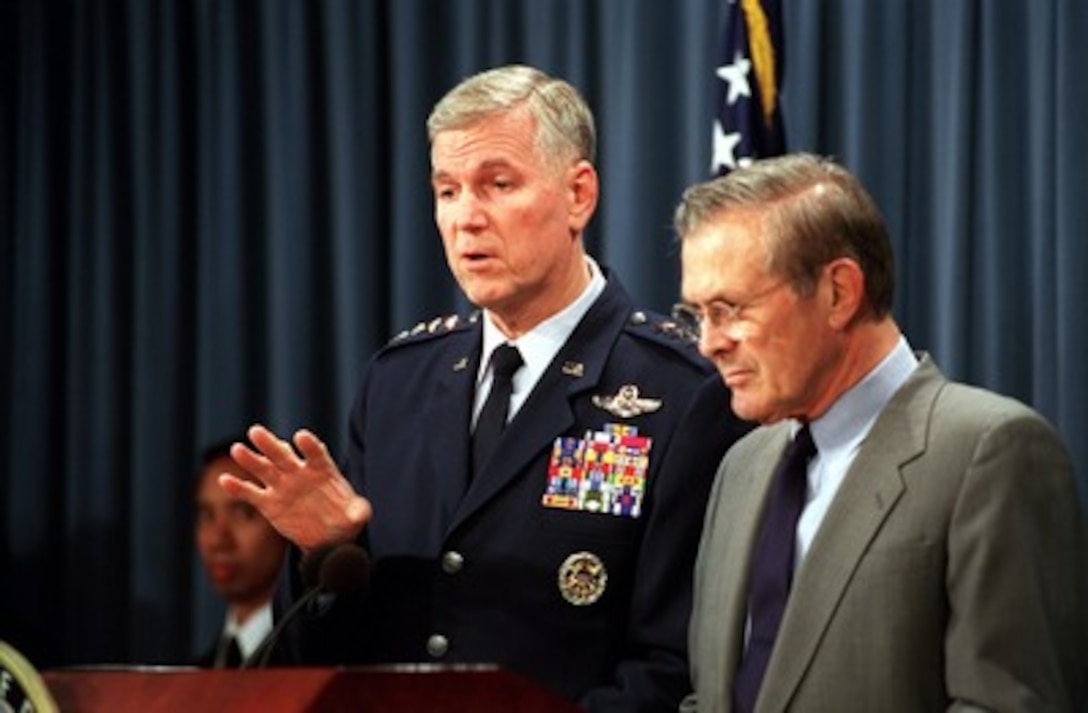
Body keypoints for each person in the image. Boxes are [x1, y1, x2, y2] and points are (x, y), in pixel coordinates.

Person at [218, 64, 750, 709]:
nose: (466, 218)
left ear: (579, 194)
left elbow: (678, 668)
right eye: (447, 191)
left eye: (498, 185)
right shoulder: (399, 382)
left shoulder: (681, 389)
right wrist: (326, 556)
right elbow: (314, 663)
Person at [672, 152, 1088, 712]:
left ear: (839, 293)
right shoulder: (740, 466)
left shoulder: (989, 451)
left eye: (729, 310)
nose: (708, 343)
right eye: (696, 314)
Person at [193, 438, 289, 668]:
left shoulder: (313, 668)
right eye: (207, 515)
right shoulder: (197, 673)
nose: (218, 540)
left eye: (243, 513)